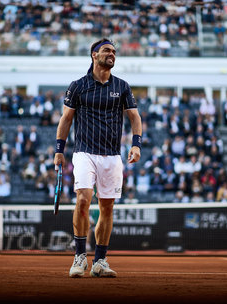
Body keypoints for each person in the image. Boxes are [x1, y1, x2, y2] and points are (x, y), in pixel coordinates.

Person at [54, 38, 142, 278]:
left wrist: (136, 145)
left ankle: (100, 261)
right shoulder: (78, 85)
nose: (112, 54)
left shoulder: (122, 86)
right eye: (106, 50)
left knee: (107, 208)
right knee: (83, 199)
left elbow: (134, 117)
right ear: (94, 55)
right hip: (84, 153)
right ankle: (80, 257)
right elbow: (66, 119)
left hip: (113, 156)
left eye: (114, 51)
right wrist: (59, 150)